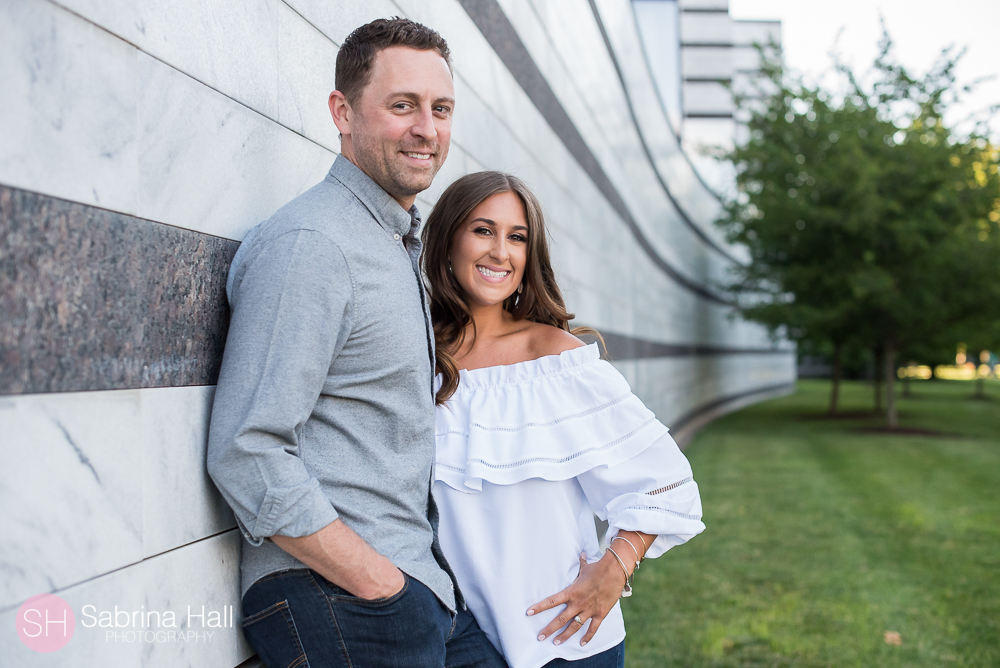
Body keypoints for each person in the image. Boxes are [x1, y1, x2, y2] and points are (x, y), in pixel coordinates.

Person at [207, 19, 506, 668]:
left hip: (414, 583)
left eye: (441, 108)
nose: (427, 128)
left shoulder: (394, 243)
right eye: (403, 106)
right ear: (343, 112)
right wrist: (376, 581)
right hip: (343, 591)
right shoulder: (313, 245)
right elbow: (245, 445)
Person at [421, 171, 706, 668]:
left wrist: (613, 570)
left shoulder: (556, 360)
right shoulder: (414, 358)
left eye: (517, 237)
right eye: (483, 230)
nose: (500, 252)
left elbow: (666, 484)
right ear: (448, 240)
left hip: (565, 641)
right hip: (453, 644)